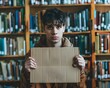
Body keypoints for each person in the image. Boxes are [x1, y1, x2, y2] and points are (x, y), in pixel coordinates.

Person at [20, 8, 86, 88]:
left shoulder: (73, 55)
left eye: (58, 27)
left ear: (64, 28)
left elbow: (80, 86)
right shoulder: (32, 55)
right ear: (44, 28)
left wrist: (81, 71)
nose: (54, 32)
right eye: (50, 27)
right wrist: (26, 72)